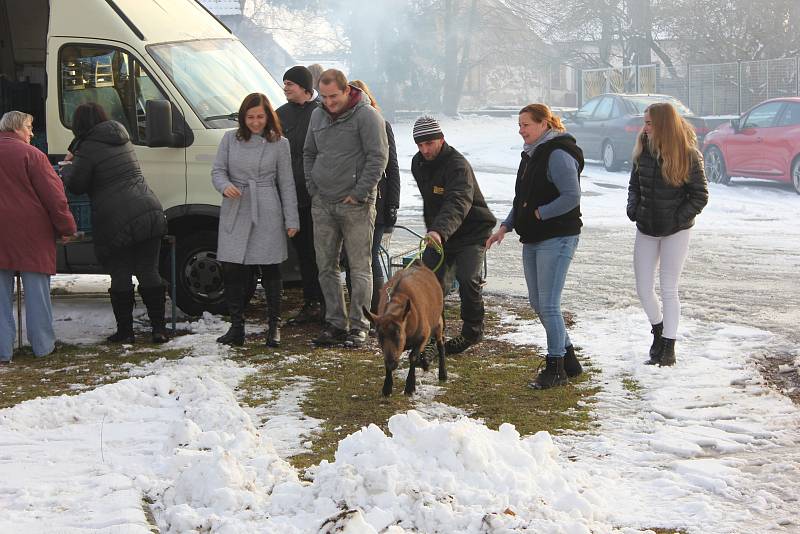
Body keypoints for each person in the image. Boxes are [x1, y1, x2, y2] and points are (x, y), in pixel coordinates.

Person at [486, 104, 584, 389]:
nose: (521, 130)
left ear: (544, 124)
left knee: (549, 305)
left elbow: (571, 196)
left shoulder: (557, 154)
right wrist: (505, 226)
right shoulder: (531, 155)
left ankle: (555, 369)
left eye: (526, 124)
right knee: (538, 303)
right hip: (533, 238)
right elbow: (522, 200)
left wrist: (541, 213)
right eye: (519, 124)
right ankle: (569, 360)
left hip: (557, 237)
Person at [61, 103, 168, 344]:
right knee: (149, 271)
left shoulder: (87, 147)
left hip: (115, 218)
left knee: (120, 274)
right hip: (149, 209)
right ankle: (159, 329)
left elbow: (77, 184)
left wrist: (67, 167)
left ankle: (126, 332)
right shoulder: (121, 138)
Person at [304, 69, 389, 347]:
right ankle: (335, 323)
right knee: (325, 266)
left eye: (333, 96)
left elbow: (378, 157)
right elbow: (309, 153)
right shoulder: (317, 115)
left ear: (345, 90)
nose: (329, 102)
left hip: (356, 205)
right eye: (324, 96)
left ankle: (359, 325)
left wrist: (360, 192)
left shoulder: (367, 116)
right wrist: (313, 187)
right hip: (323, 202)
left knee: (358, 267)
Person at [212, 92, 299, 347]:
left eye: (260, 116)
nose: (255, 121)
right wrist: (225, 185)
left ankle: (274, 327)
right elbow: (218, 170)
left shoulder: (280, 143)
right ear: (243, 117)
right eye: (250, 117)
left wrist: (291, 219)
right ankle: (236, 327)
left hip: (266, 207)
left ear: (268, 116)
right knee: (232, 267)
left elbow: (286, 183)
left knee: (270, 266)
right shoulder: (229, 138)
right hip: (236, 206)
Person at [626, 102, 708, 367]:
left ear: (662, 124)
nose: (645, 127)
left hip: (676, 231)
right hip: (646, 228)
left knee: (669, 288)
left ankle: (669, 347)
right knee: (643, 288)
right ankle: (658, 331)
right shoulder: (643, 150)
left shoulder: (688, 154)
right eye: (644, 122)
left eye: (649, 122)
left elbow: (700, 195)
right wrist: (634, 209)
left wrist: (677, 219)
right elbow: (634, 186)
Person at [412, 116, 496, 356]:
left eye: (429, 143)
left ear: (441, 139)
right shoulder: (418, 164)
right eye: (420, 145)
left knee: (467, 278)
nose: (425, 150)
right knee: (428, 283)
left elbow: (458, 201)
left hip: (471, 232)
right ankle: (431, 336)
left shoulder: (457, 165)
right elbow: (433, 203)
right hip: (441, 235)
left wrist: (439, 229)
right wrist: (435, 230)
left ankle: (472, 330)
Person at [0, 111, 77, 363]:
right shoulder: (33, 155)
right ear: (16, 128)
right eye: (29, 127)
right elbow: (55, 197)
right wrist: (66, 228)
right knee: (37, 294)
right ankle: (43, 346)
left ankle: (3, 350)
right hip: (32, 233)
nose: (32, 133)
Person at [276, 66, 324, 324]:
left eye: (290, 84)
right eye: (284, 84)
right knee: (303, 251)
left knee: (323, 251)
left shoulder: (321, 112)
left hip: (318, 193)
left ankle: (328, 302)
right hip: (292, 194)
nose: (285, 88)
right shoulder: (281, 114)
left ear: (305, 87)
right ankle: (311, 301)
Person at [349, 79, 400, 315]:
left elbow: (392, 168)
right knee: (354, 258)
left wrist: (392, 207)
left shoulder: (381, 124)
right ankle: (360, 309)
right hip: (351, 201)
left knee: (370, 255)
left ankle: (377, 309)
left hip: (377, 201)